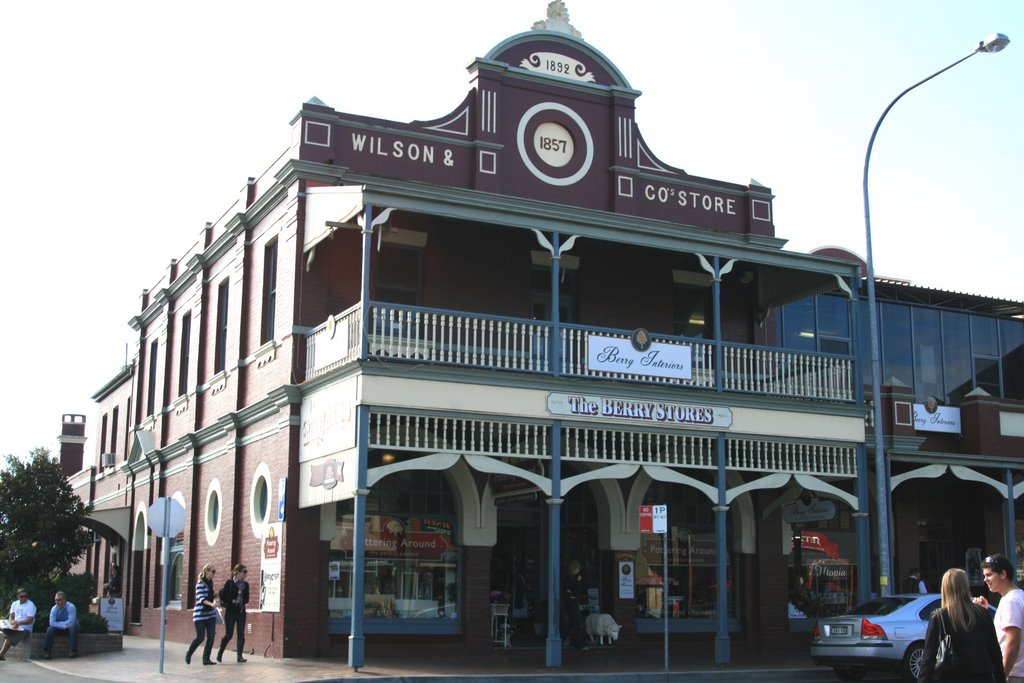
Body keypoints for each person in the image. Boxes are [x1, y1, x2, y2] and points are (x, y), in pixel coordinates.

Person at [917, 568, 1004, 683]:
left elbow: (928, 657)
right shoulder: (982, 613)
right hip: (982, 676)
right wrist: (1001, 679)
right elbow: (994, 652)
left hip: (950, 676)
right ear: (965, 587)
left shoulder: (939, 617)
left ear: (945, 589)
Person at [976, 554, 1024, 682]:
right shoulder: (1018, 596)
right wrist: (987, 611)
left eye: (989, 575)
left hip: (1015, 674)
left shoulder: (1010, 601)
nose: (985, 579)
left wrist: (1001, 676)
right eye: (984, 575)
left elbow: (1013, 642)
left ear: (1003, 574)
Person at [186, 564, 220, 666]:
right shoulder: (200, 584)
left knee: (211, 636)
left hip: (210, 614)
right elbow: (201, 599)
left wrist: (217, 597)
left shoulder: (210, 583)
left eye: (215, 571)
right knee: (200, 637)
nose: (214, 574)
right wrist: (212, 604)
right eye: (213, 571)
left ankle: (206, 659)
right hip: (200, 614)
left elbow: (211, 595)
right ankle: (189, 653)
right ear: (207, 571)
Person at [216, 563, 249, 663]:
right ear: (237, 572)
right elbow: (224, 597)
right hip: (231, 612)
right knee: (229, 634)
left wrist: (241, 601)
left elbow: (247, 598)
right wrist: (233, 601)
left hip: (241, 611)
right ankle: (220, 652)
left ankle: (239, 656)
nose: (245, 574)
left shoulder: (245, 585)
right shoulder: (229, 583)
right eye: (244, 572)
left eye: (246, 572)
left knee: (241, 634)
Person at [0, 588, 36, 660]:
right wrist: (12, 622)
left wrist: (18, 622)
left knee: (11, 635)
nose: (24, 598)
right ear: (18, 596)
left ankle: (1, 654)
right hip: (14, 626)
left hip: (25, 628)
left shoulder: (31, 605)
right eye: (21, 596)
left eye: (25, 596)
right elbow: (11, 616)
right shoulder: (14, 604)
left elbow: (30, 620)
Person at [561, 559, 589, 651]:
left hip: (572, 601)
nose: (579, 571)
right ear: (574, 568)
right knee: (578, 622)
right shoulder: (568, 578)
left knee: (570, 623)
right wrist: (577, 582)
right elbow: (572, 589)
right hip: (570, 603)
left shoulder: (573, 578)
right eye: (578, 569)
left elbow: (575, 590)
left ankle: (563, 639)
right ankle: (580, 643)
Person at [42, 591, 80, 660]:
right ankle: (47, 651)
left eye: (59, 600)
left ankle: (73, 650)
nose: (57, 602)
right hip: (62, 626)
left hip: (71, 626)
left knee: (73, 626)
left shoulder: (71, 607)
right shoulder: (54, 609)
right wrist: (63, 626)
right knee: (50, 629)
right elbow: (52, 623)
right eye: (55, 600)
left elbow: (71, 621)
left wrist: (59, 623)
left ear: (64, 600)